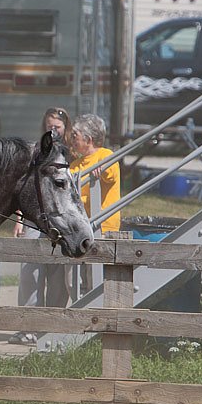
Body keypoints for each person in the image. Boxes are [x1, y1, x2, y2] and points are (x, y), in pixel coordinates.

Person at [9, 107, 73, 345]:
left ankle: (51, 325)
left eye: (56, 127)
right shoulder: (37, 150)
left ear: (66, 128)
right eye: (49, 126)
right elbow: (23, 186)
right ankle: (27, 325)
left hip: (61, 217)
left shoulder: (71, 152)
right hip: (35, 217)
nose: (52, 131)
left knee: (57, 275)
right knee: (29, 272)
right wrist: (18, 219)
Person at [68, 113, 121, 293]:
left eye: (75, 136)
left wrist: (102, 171)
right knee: (75, 279)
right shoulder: (75, 164)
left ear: (88, 139)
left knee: (96, 277)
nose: (72, 140)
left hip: (103, 226)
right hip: (81, 227)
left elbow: (111, 175)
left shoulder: (105, 154)